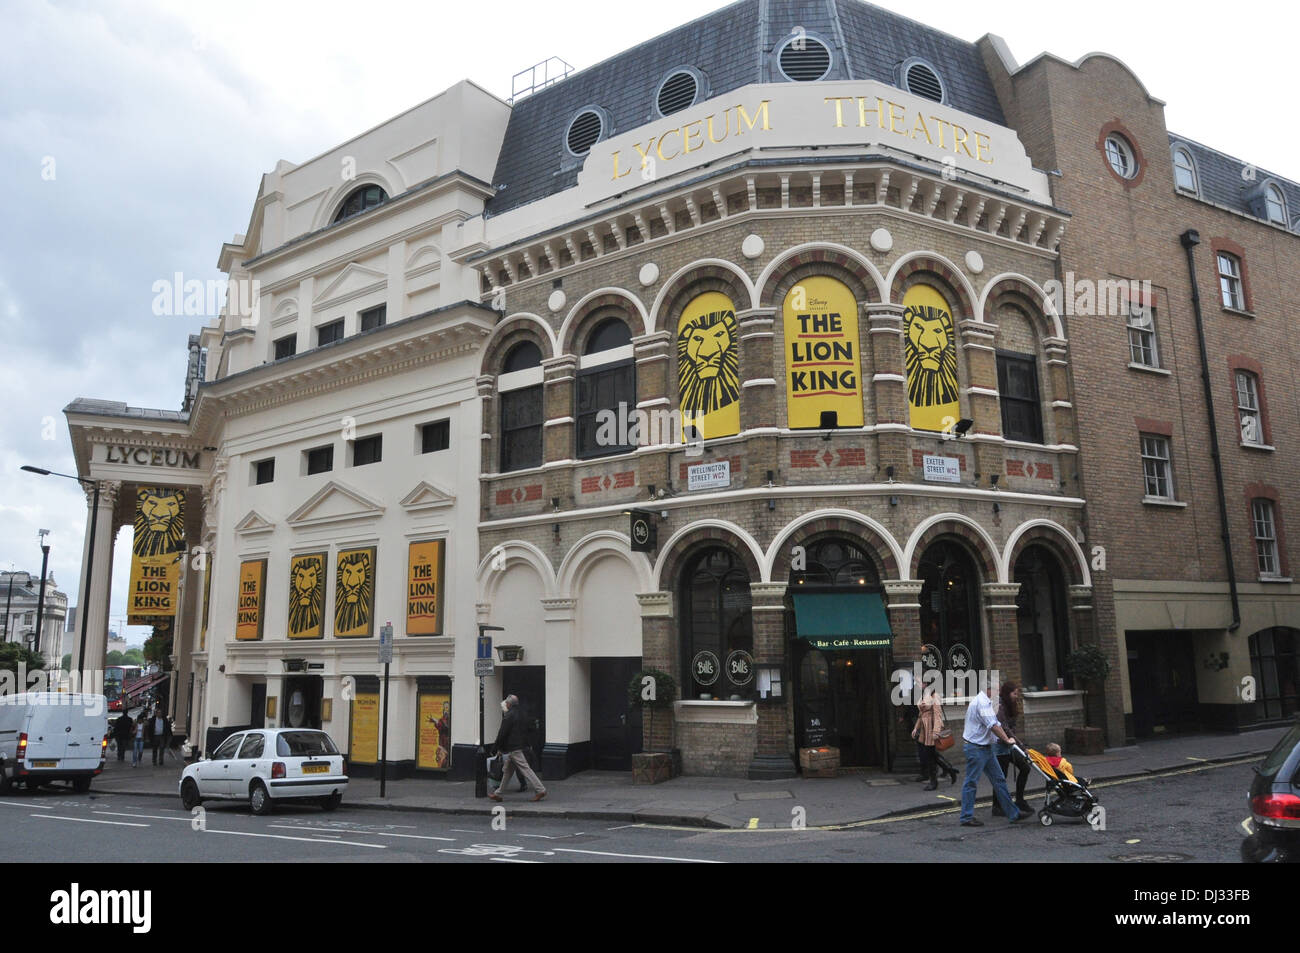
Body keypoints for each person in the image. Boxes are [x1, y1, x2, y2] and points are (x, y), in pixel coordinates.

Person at [959, 679, 1024, 826]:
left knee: (999, 779)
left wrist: (1007, 738)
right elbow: (993, 726)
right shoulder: (982, 703)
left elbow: (997, 724)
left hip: (986, 748)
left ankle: (1013, 813)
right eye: (996, 690)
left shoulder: (986, 702)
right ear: (988, 689)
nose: (998, 693)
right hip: (976, 749)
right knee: (971, 782)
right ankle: (966, 817)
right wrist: (1007, 740)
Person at [488, 695, 546, 802]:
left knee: (525, 769)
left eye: (506, 703)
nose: (505, 704)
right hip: (519, 746)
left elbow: (502, 733)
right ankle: (498, 793)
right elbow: (529, 729)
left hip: (514, 747)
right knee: (508, 771)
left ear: (509, 704)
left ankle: (540, 789)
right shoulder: (522, 713)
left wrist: (495, 748)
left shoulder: (509, 715)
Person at [992, 681, 1033, 817]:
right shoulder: (999, 706)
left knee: (1025, 768)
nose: (1016, 696)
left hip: (1010, 744)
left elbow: (1012, 728)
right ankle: (997, 807)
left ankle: (1019, 800)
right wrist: (1021, 746)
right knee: (1001, 776)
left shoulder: (1011, 705)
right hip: (1000, 744)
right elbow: (1005, 728)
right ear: (1007, 693)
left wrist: (1020, 744)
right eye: (1014, 693)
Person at [911, 686, 956, 790]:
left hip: (931, 728)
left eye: (919, 681)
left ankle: (933, 782)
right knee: (931, 755)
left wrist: (936, 731)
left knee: (930, 756)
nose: (917, 683)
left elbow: (938, 715)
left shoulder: (934, 696)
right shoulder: (923, 694)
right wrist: (915, 728)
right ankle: (949, 770)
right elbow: (921, 714)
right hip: (924, 729)